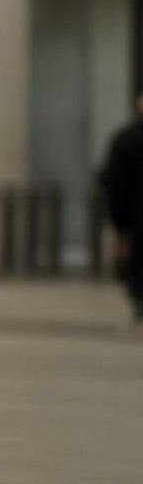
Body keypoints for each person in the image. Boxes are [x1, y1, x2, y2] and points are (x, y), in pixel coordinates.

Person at [99, 93, 143, 323]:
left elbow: (114, 181)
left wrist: (119, 221)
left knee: (136, 261)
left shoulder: (125, 138)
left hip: (135, 217)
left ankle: (138, 299)